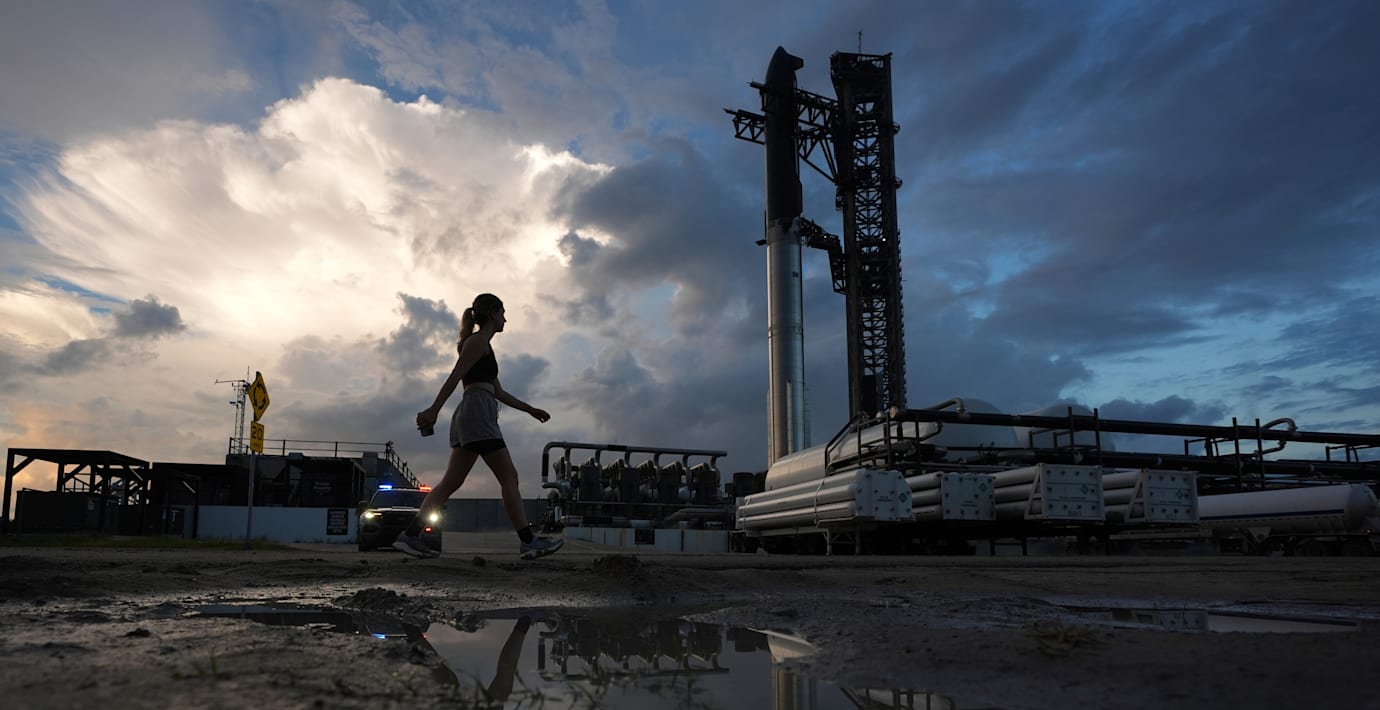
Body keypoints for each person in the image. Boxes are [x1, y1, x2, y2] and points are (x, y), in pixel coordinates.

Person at [394, 293, 564, 560]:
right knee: (509, 477)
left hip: (473, 413)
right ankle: (528, 541)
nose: (506, 318)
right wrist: (434, 409)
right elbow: (456, 375)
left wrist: (530, 410)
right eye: (503, 312)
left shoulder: (483, 345)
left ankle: (410, 537)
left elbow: (499, 391)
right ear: (493, 313)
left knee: (451, 482)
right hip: (477, 412)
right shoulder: (477, 342)